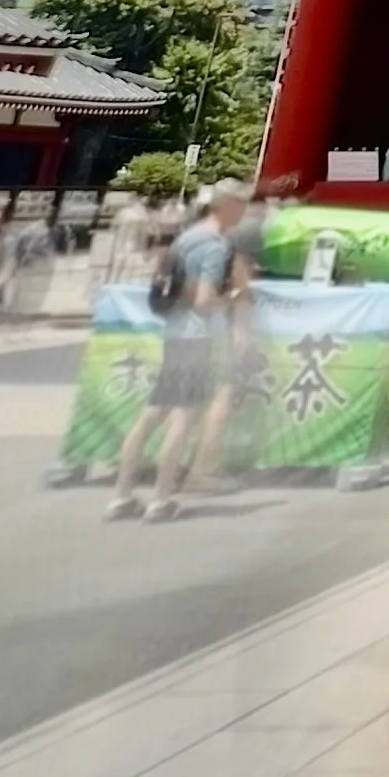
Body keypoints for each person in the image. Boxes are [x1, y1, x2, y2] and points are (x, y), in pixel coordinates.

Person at [105, 180, 251, 522]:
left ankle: (121, 495)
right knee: (182, 419)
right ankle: (161, 498)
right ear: (227, 205)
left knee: (151, 414)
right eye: (241, 204)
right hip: (197, 338)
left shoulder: (187, 237)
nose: (243, 211)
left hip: (174, 332)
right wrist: (233, 297)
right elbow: (203, 299)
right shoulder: (215, 246)